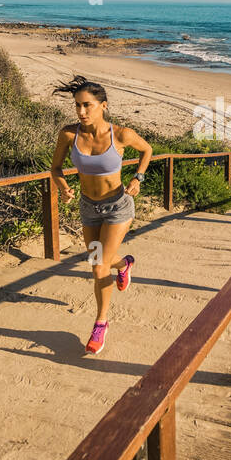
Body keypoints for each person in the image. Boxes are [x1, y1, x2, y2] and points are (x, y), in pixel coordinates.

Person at [50, 75, 153, 354]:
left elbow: (147, 150)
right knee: (101, 260)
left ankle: (101, 322)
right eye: (77, 106)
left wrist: (138, 179)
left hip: (118, 206)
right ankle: (124, 265)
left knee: (97, 267)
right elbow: (55, 169)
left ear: (103, 105)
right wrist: (63, 187)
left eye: (87, 106)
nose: (81, 112)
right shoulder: (69, 134)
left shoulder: (121, 134)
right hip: (88, 207)